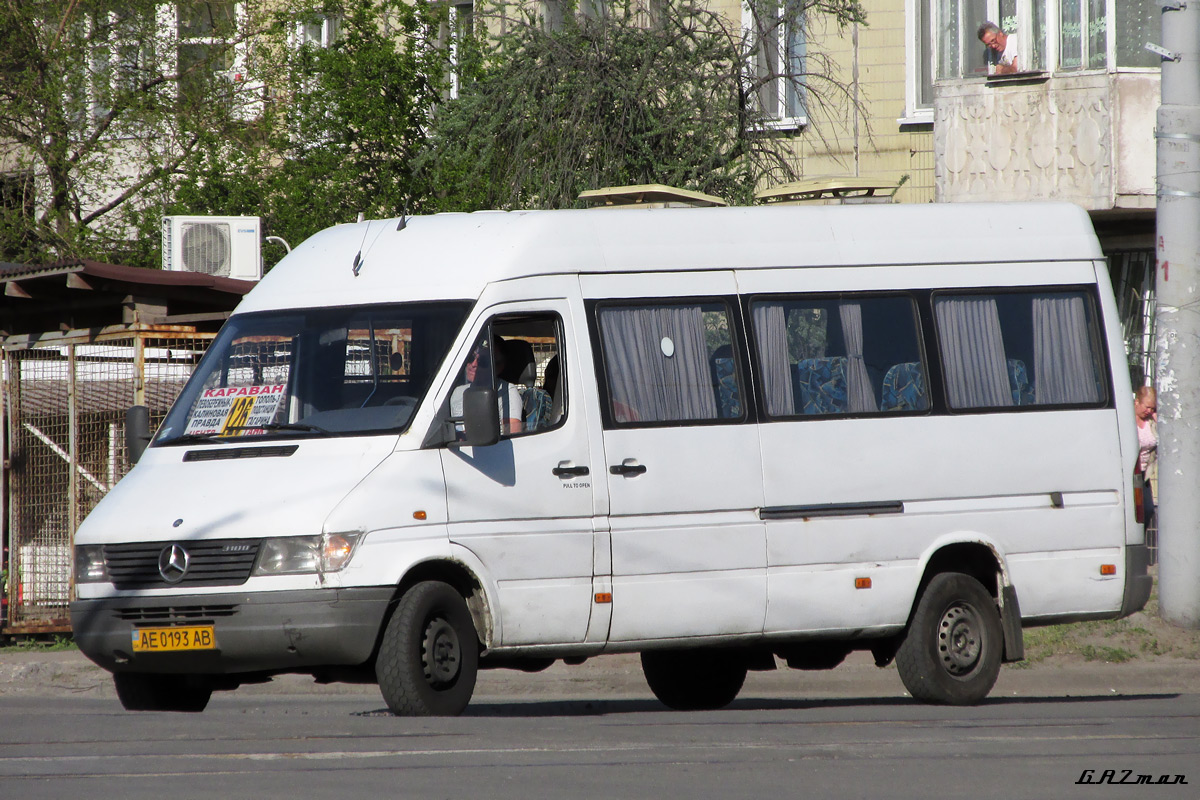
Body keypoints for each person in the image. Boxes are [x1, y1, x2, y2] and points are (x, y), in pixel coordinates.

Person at [450, 335, 523, 436]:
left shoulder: (507, 392)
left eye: (483, 362)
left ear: (499, 367)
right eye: (471, 358)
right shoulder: (457, 392)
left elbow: (512, 437)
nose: (474, 364)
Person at [1134, 385, 1157, 527]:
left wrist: (1157, 419)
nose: (1149, 411)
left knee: (1148, 510)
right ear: (1137, 402)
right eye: (1147, 407)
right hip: (1131, 472)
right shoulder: (1127, 420)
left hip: (1145, 473)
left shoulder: (1152, 422)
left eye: (1152, 408)